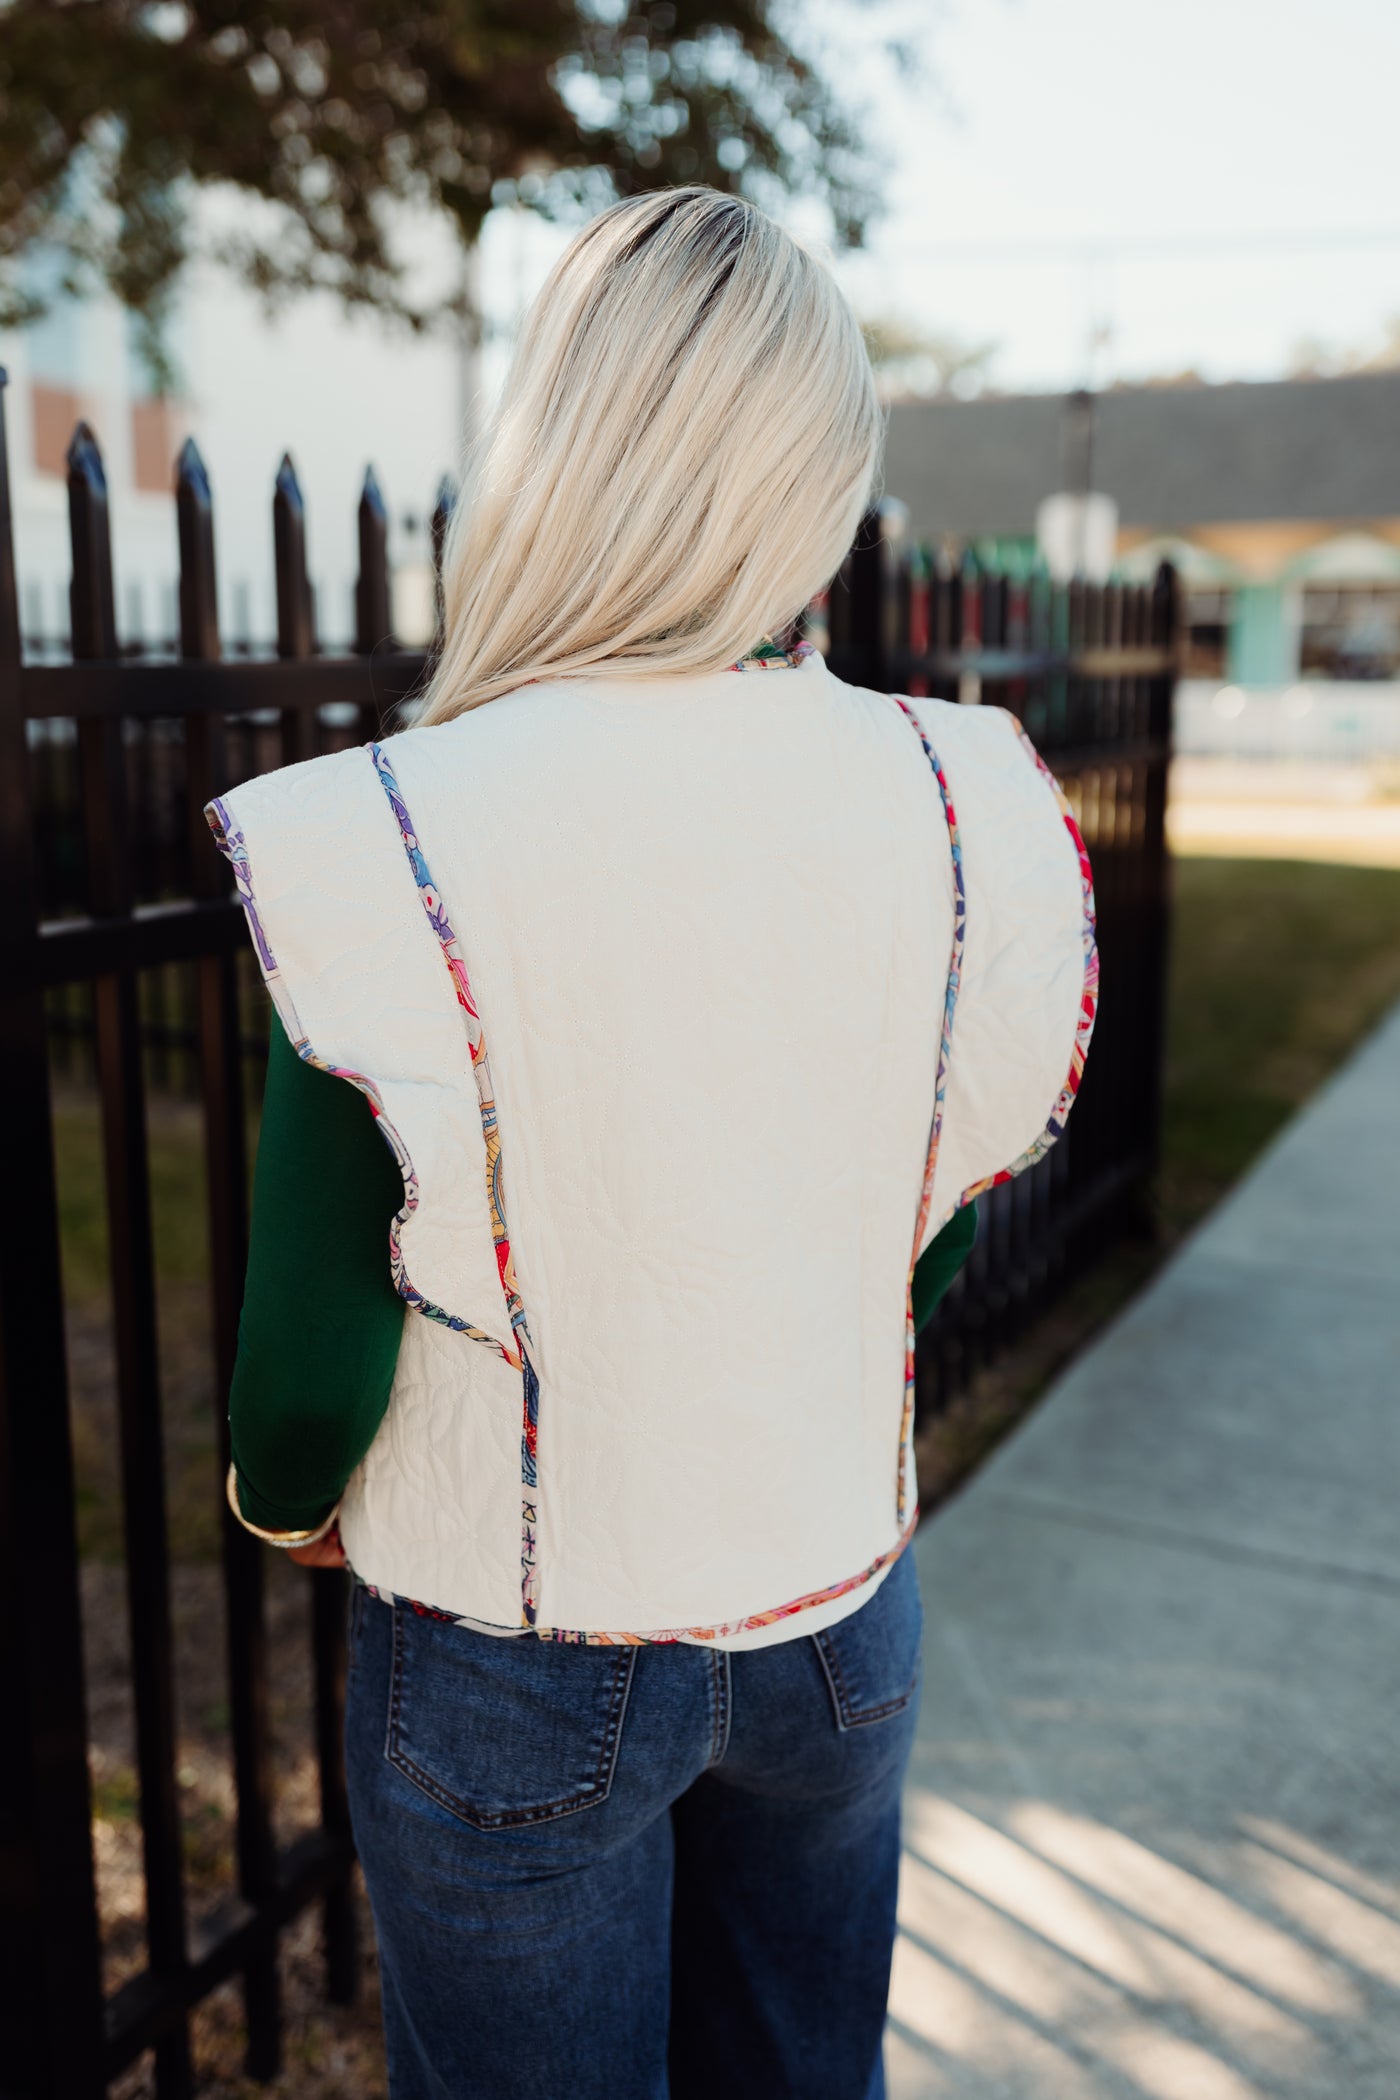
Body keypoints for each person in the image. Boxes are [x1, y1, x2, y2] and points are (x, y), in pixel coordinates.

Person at [210, 187, 1096, 2100]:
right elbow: (925, 1214)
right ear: (815, 471)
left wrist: (283, 1504)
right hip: (835, 1604)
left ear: (559, 449)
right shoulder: (954, 795)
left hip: (513, 1636)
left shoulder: (392, 834)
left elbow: (303, 1362)